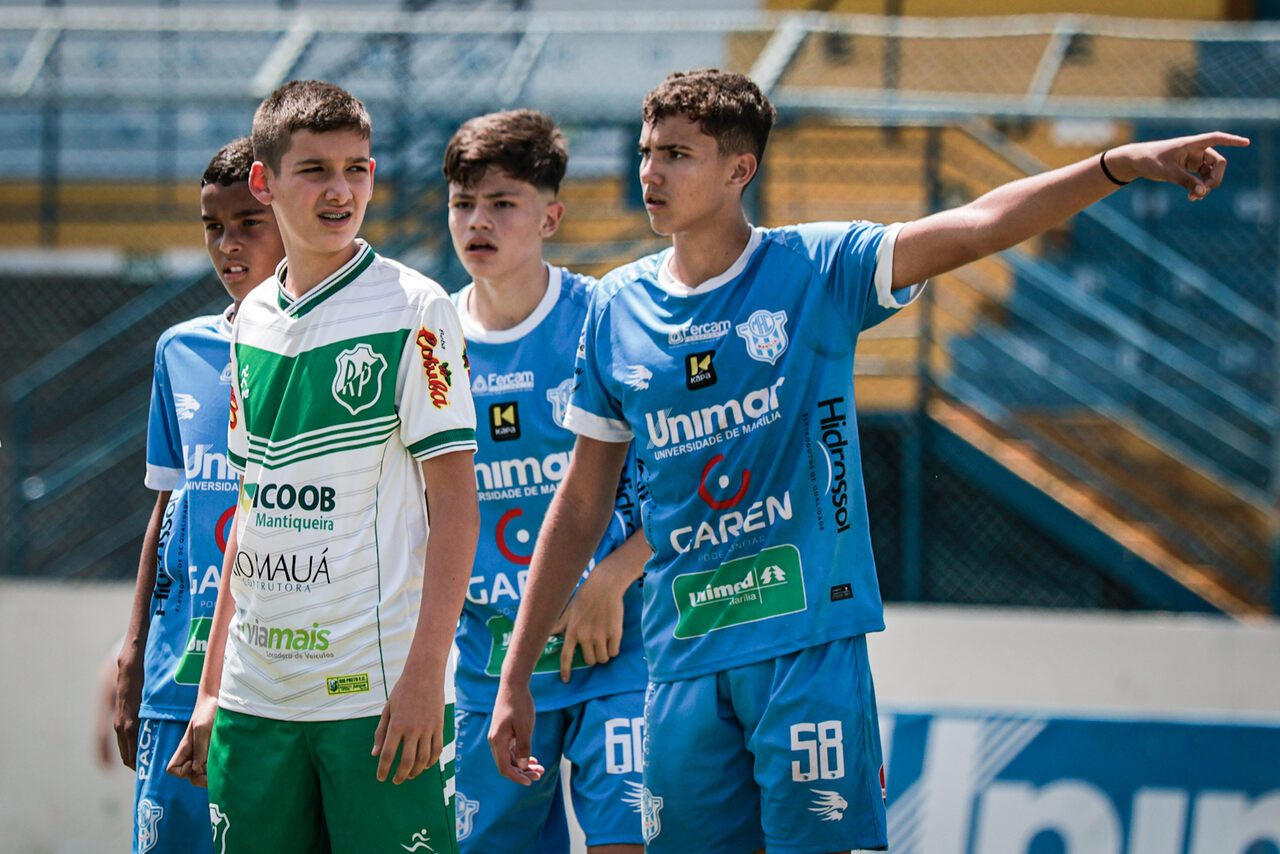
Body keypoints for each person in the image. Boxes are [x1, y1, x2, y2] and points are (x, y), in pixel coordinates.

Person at [489, 68, 1249, 854]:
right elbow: (580, 505)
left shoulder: (819, 269)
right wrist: (516, 675)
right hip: (680, 662)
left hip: (807, 647)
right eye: (647, 151)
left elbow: (980, 223)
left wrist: (1115, 164)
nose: (649, 172)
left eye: (678, 154)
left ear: (739, 170)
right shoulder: (615, 308)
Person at [166, 79, 479, 854]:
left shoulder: (416, 308)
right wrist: (211, 693)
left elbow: (457, 508)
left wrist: (424, 677)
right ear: (266, 182)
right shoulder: (248, 323)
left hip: (373, 701)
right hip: (254, 698)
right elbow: (250, 508)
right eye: (316, 171)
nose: (342, 190)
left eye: (359, 168)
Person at [443, 109, 649, 854]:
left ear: (551, 216)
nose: (479, 221)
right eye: (463, 203)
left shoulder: (607, 319)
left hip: (615, 649)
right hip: (489, 664)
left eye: (503, 202)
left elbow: (683, 469)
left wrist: (615, 577)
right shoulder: (428, 342)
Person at [114, 137, 285, 854]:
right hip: (175, 676)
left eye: (249, 222)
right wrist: (130, 653)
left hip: (282, 673)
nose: (228, 245)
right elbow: (167, 509)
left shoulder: (339, 352)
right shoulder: (179, 350)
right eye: (213, 227)